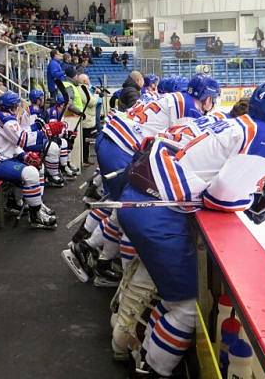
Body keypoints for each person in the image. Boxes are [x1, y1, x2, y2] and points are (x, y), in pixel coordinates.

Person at [116, 83, 265, 377]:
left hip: (141, 194)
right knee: (187, 307)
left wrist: (255, 189)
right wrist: (257, 197)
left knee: (172, 298)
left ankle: (143, 355)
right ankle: (152, 369)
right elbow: (221, 197)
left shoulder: (235, 123)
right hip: (155, 209)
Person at [63, 74, 221, 288]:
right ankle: (87, 250)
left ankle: (95, 255)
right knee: (127, 207)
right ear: (207, 97)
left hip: (113, 140)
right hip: (122, 147)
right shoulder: (190, 108)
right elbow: (183, 149)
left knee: (119, 204)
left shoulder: (175, 99)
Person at [0, 91, 58, 229]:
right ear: (13, 106)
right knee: (30, 173)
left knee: (38, 168)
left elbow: (13, 144)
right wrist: (46, 131)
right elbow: (23, 139)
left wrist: (24, 156)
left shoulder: (0, 116)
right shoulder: (7, 118)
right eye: (17, 105)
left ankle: (31, 203)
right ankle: (35, 215)